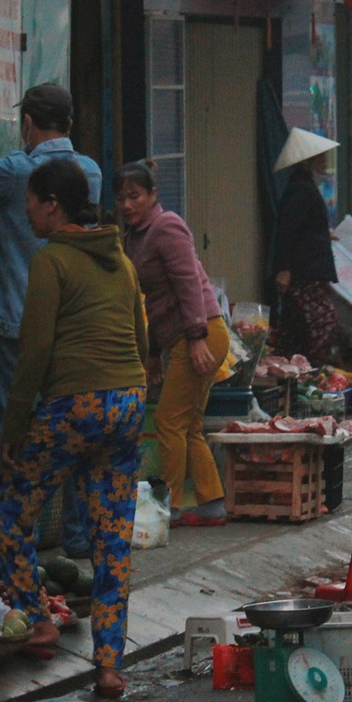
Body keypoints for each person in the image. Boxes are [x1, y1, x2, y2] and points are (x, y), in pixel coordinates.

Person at [0, 157, 147, 698]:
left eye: (31, 203)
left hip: (74, 406)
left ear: (52, 205)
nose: (28, 213)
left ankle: (37, 620)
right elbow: (141, 339)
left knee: (11, 511)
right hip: (128, 402)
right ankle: (108, 666)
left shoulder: (51, 260)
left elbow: (33, 351)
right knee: (111, 539)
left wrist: (14, 425)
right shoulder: (120, 260)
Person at [0, 84, 98, 557]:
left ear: (27, 124)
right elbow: (6, 188)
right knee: (69, 440)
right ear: (69, 125)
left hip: (13, 334)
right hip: (69, 335)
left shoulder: (16, 172)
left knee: (11, 444)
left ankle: (17, 545)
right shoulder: (87, 171)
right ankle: (75, 542)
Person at [114, 162, 229, 528]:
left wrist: (195, 338)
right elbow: (150, 301)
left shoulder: (167, 226)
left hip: (202, 332)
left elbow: (188, 284)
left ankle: (171, 505)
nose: (128, 205)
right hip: (181, 337)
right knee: (190, 424)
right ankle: (211, 502)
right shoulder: (133, 235)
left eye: (135, 196)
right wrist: (152, 354)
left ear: (152, 195)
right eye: (121, 198)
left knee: (168, 420)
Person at [270, 128, 342, 364]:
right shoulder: (301, 189)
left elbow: (303, 227)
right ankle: (315, 370)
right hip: (304, 270)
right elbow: (288, 231)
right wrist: (285, 268)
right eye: (319, 158)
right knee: (322, 323)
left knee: (294, 329)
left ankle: (293, 372)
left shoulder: (303, 186)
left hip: (307, 267)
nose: (323, 162)